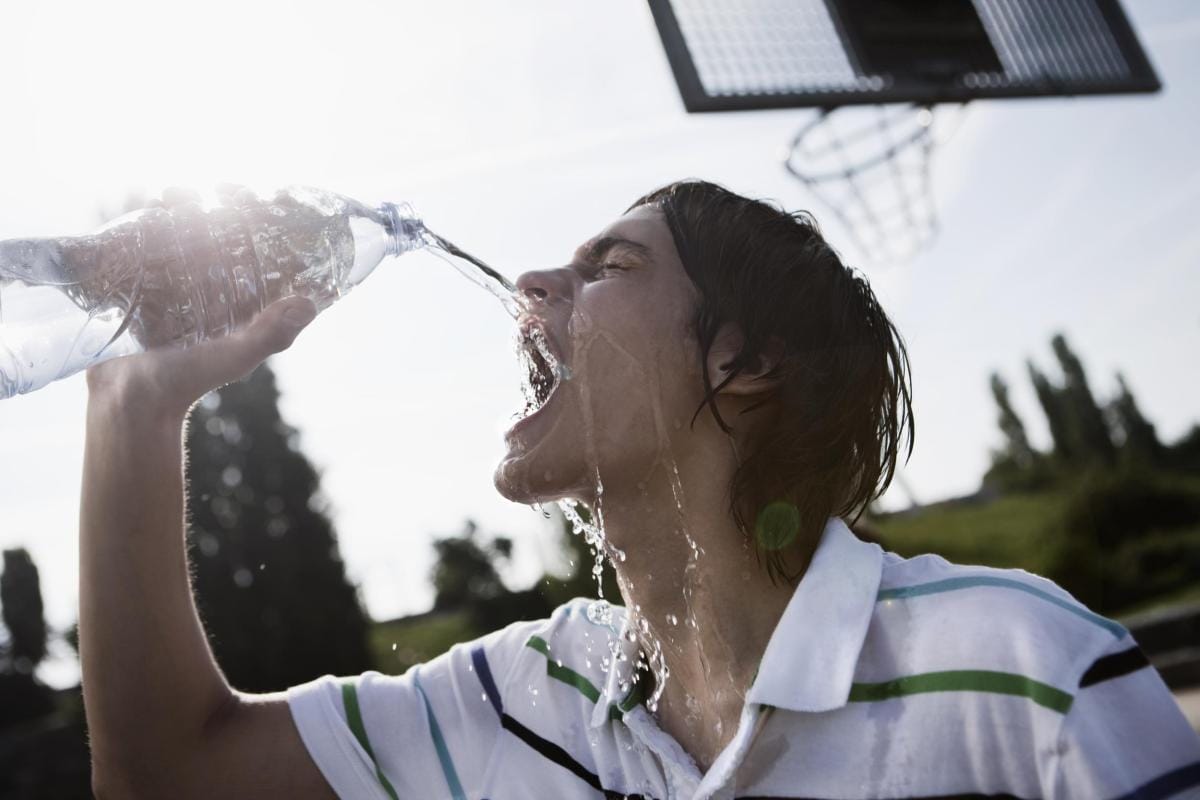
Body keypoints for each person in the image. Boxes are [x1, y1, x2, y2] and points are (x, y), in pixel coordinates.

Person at [80, 181, 1199, 799]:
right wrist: (132, 404)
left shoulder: (1027, 676)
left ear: (742, 362)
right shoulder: (516, 698)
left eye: (608, 265)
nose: (530, 285)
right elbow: (169, 769)